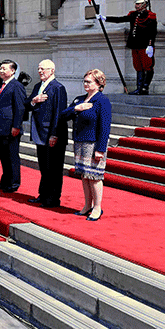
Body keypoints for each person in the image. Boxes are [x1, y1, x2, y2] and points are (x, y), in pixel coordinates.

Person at [61, 69, 112, 221]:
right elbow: (64, 115)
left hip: (93, 143)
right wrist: (76, 108)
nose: (85, 84)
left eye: (89, 81)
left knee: (95, 176)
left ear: (98, 84)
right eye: (84, 81)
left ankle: (97, 207)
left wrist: (101, 149)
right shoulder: (79, 99)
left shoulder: (102, 101)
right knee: (84, 175)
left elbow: (105, 127)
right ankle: (87, 205)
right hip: (79, 142)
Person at [25, 60, 68, 208]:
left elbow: (58, 113)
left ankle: (53, 199)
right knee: (44, 167)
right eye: (39, 68)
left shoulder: (58, 88)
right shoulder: (38, 86)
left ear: (52, 70)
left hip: (51, 134)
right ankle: (43, 195)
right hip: (39, 133)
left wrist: (54, 134)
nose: (40, 71)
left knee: (54, 168)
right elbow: (27, 104)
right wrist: (34, 100)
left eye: (43, 69)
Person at [97, 0, 157, 94]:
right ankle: (139, 87)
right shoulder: (133, 14)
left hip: (145, 45)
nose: (136, 5)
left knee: (147, 66)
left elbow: (153, 32)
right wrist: (105, 18)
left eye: (138, 4)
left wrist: (150, 45)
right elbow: (120, 19)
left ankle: (145, 88)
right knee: (138, 66)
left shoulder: (150, 16)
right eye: (136, 4)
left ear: (144, 5)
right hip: (135, 45)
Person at [0, 60, 27, 193]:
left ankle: (13, 183)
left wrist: (16, 126)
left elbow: (20, 108)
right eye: (0, 68)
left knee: (12, 157)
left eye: (4, 68)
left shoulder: (16, 86)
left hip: (11, 128)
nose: (1, 71)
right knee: (3, 157)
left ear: (12, 71)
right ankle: (5, 181)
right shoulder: (1, 85)